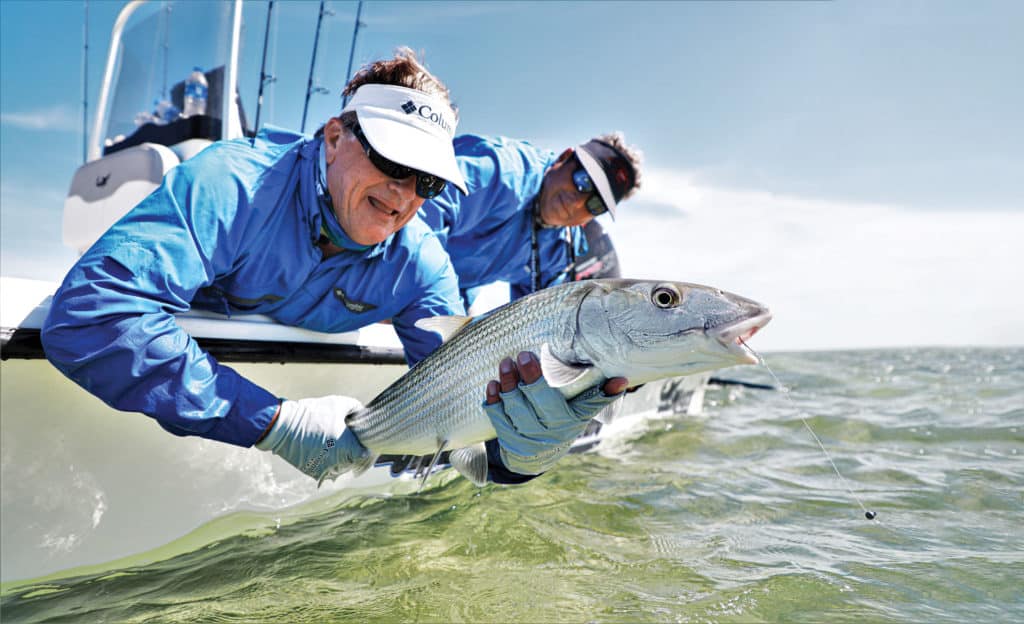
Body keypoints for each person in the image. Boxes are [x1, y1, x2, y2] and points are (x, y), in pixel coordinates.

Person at [41, 49, 626, 486]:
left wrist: (520, 456)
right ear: (334, 137)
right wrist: (271, 420)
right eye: (392, 159)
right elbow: (89, 317)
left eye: (427, 181)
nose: (402, 193)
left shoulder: (423, 267)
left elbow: (464, 402)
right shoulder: (234, 184)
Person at [418, 132, 642, 310]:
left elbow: (532, 322)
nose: (578, 201)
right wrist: (429, 300)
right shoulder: (499, 172)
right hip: (397, 256)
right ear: (564, 158)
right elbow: (417, 224)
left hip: (454, 290)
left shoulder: (559, 254)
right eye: (582, 181)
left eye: (595, 204)